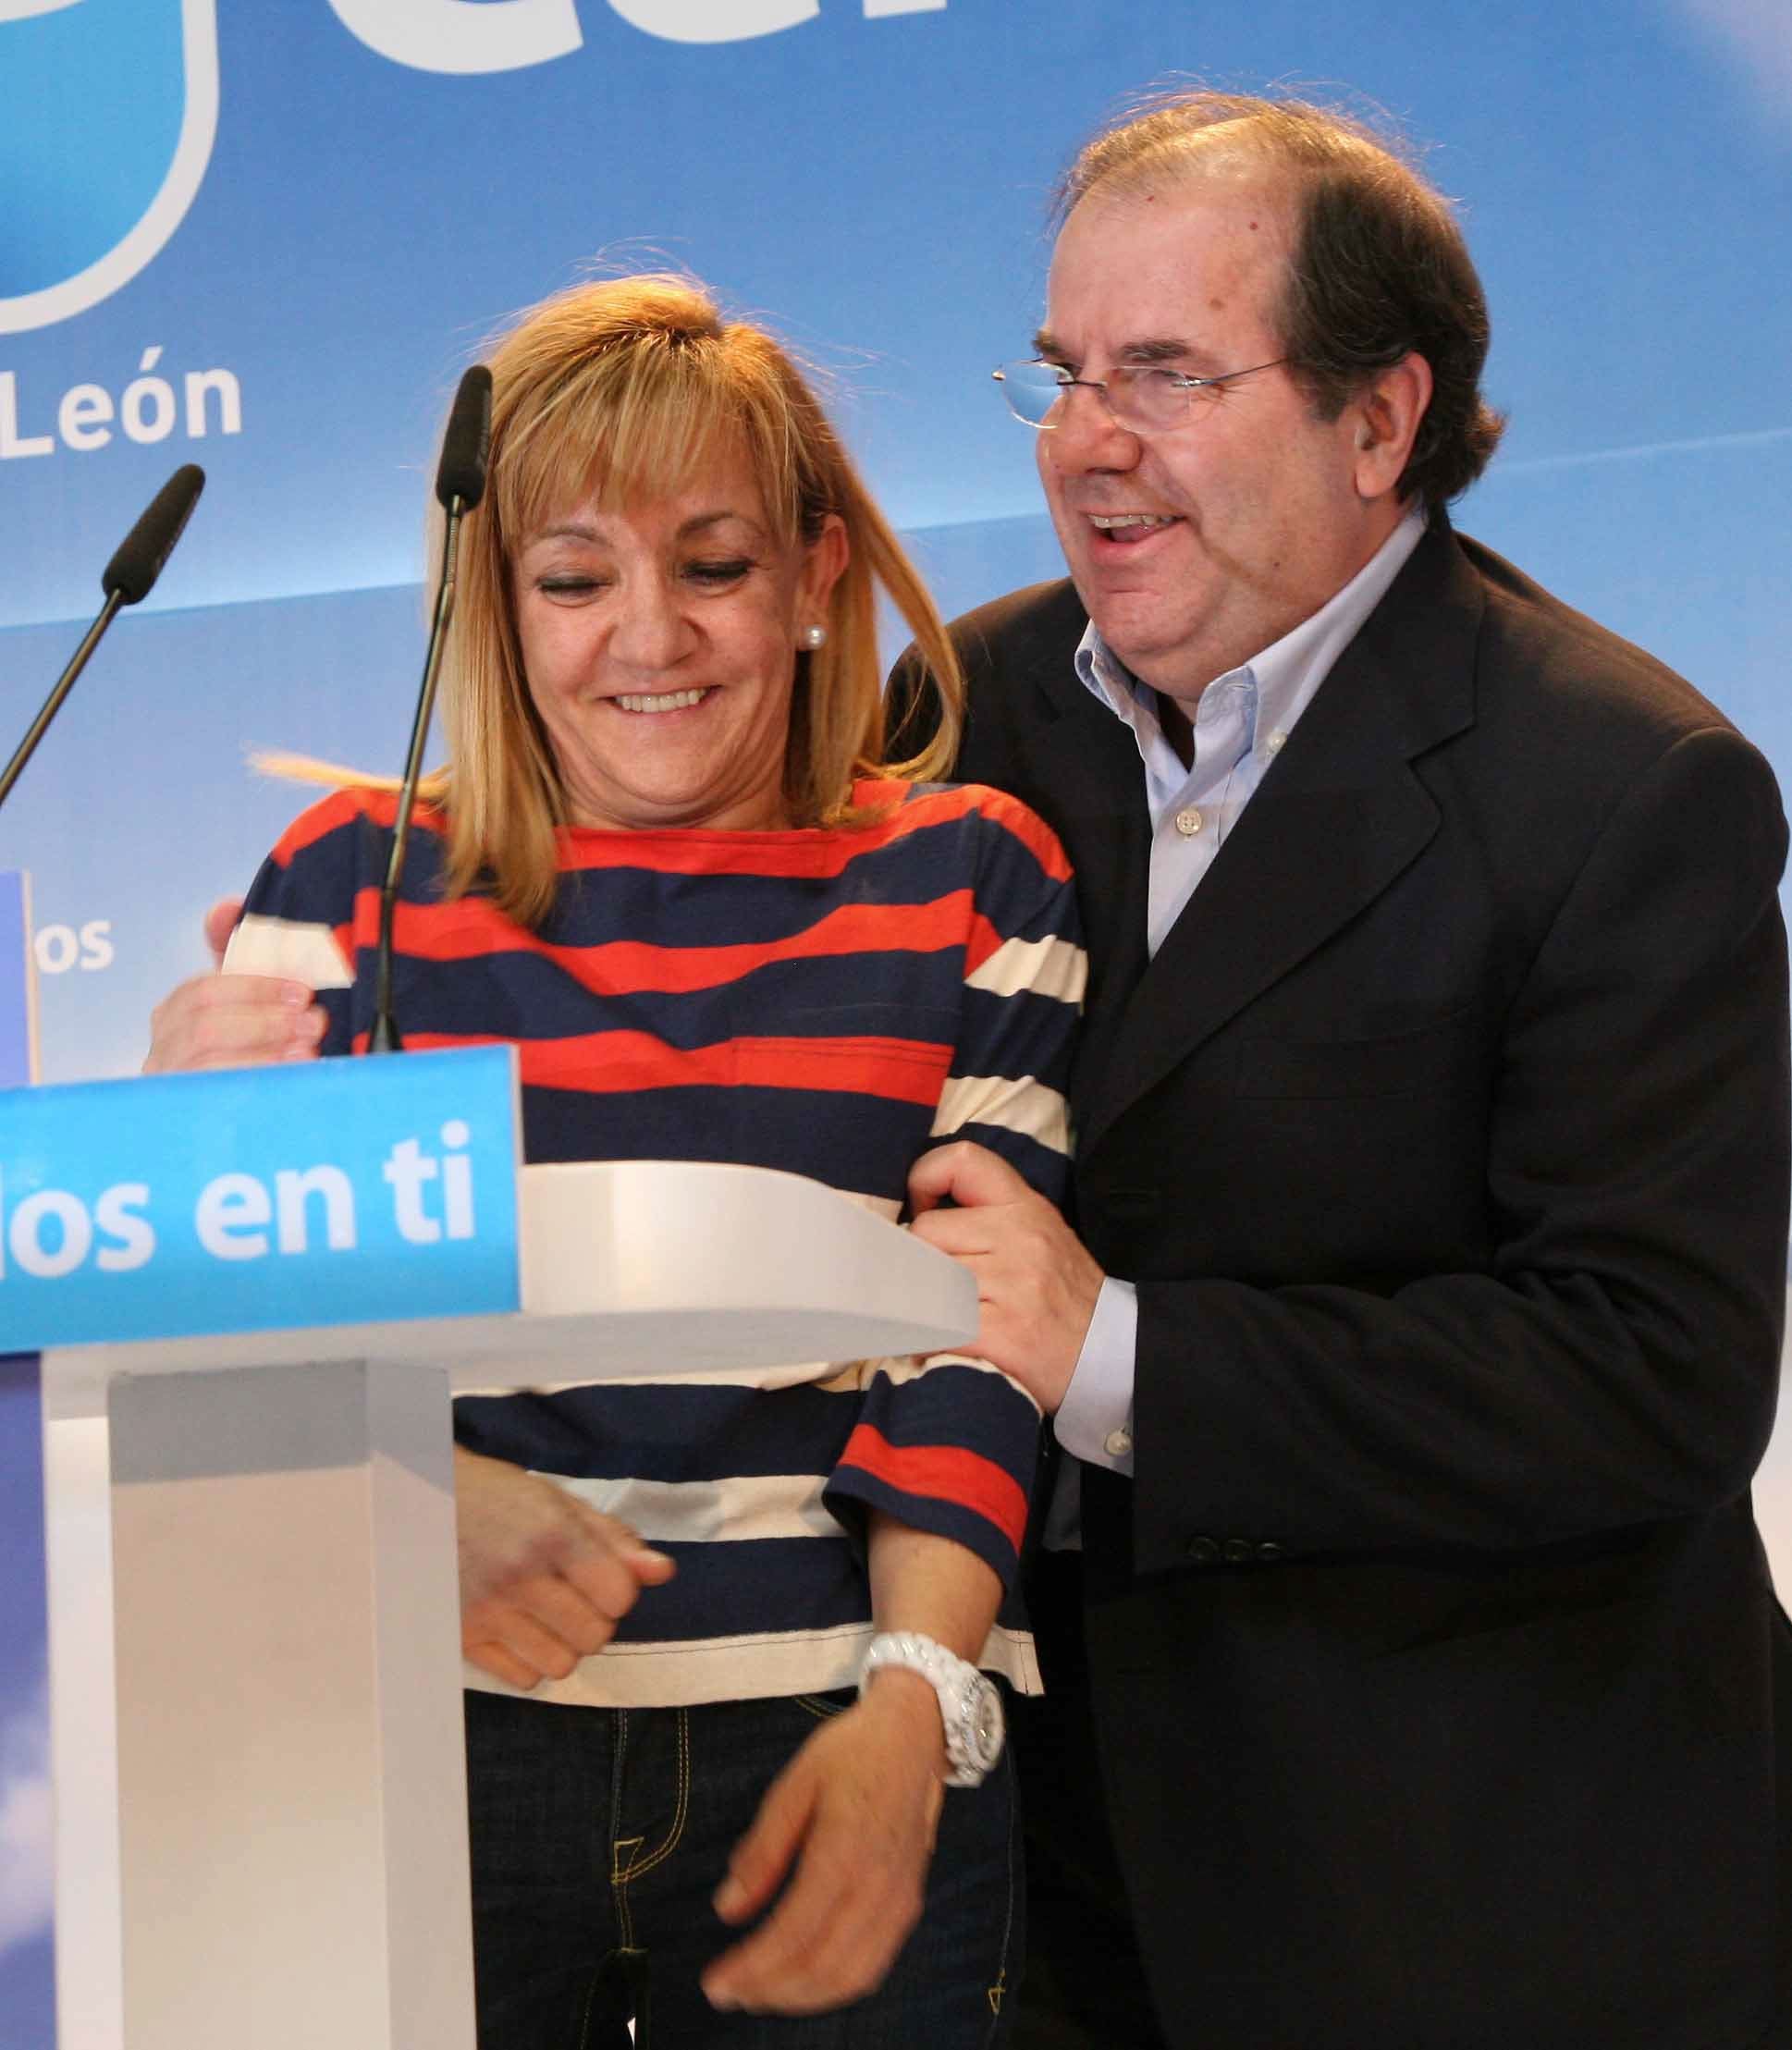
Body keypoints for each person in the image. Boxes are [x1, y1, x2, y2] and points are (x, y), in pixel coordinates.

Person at [890, 92, 1792, 2050]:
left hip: (1479, 1903)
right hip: (1049, 1899)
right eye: (1062, 375)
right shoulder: (958, 709)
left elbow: (1652, 1373)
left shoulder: (1628, 788)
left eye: (1163, 373)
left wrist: (1113, 1348)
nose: (1085, 444)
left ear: (1380, 421)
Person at [144, 275, 1086, 2048]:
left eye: (711, 563)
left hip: (840, 1722)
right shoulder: (346, 879)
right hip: (418, 1736)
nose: (647, 633)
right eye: (574, 577)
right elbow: (219, 1341)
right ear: (495, 606)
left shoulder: (975, 873)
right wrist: (401, 1495)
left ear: (815, 577)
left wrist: (914, 1702)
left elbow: (983, 1332)